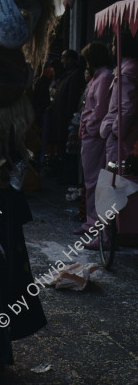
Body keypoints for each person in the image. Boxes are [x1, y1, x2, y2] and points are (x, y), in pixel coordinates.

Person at [75, 42, 112, 246]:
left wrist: (89, 126)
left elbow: (100, 108)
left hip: (94, 135)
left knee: (94, 180)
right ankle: (91, 222)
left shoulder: (104, 76)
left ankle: (97, 225)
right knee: (90, 180)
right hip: (89, 133)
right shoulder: (98, 76)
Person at [100, 31, 138, 166]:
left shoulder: (128, 70)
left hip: (122, 135)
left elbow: (128, 106)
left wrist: (116, 130)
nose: (111, 48)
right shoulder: (126, 67)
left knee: (117, 176)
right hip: (121, 132)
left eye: (114, 45)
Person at [50, 50, 85, 182]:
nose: (62, 61)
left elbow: (71, 99)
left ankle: (68, 176)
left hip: (66, 119)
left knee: (67, 150)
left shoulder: (75, 75)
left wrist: (70, 119)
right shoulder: (68, 75)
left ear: (71, 59)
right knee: (62, 149)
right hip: (60, 118)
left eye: (64, 58)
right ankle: (64, 174)